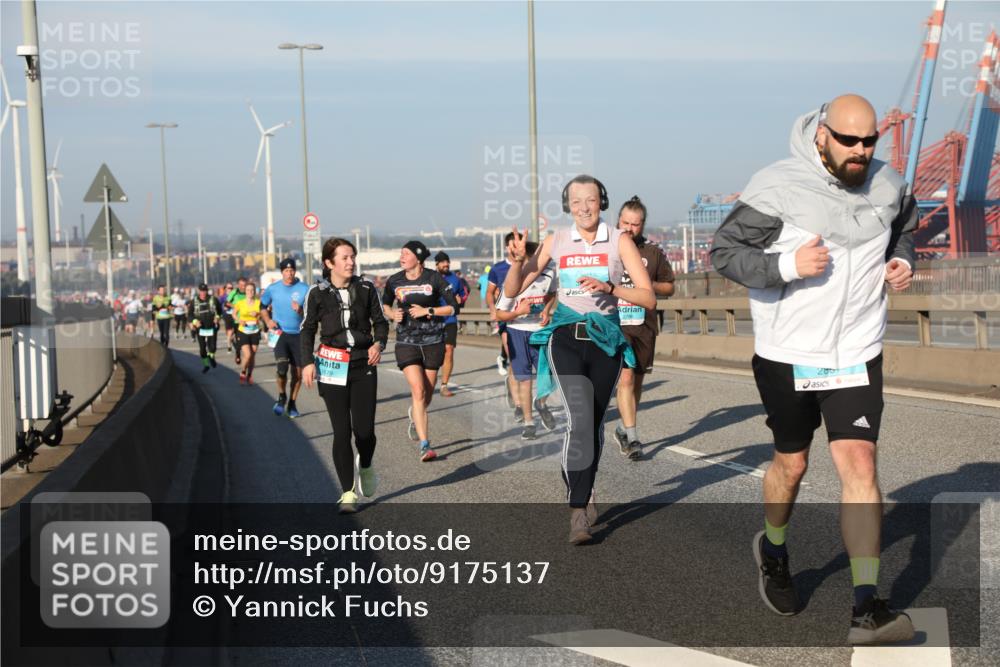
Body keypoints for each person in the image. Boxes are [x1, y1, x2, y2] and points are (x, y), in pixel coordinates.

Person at [710, 95, 917, 644]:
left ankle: (866, 608)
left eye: (869, 141)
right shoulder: (776, 186)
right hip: (789, 353)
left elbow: (906, 227)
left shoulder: (889, 184)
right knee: (792, 464)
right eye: (849, 140)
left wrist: (903, 259)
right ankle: (774, 549)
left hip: (856, 351)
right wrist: (787, 264)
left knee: (860, 464)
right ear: (822, 134)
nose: (860, 151)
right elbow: (724, 252)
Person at [505, 174, 654, 544]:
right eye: (575, 201)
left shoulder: (619, 240)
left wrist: (611, 288)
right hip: (565, 338)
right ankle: (578, 510)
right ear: (567, 206)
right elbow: (512, 289)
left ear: (602, 201)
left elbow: (648, 298)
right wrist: (518, 262)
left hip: (605, 339)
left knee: (595, 423)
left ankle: (584, 488)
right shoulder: (556, 240)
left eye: (590, 200)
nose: (584, 208)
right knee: (579, 419)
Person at [302, 238, 389, 513]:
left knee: (365, 432)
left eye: (353, 257)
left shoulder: (366, 288)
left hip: (363, 363)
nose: (351, 262)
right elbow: (307, 329)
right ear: (329, 263)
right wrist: (307, 362)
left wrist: (378, 344)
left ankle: (366, 464)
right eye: (345, 258)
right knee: (341, 431)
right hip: (331, 364)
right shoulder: (317, 293)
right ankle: (347, 492)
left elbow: (381, 322)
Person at [382, 240, 459, 462]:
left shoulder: (434, 278)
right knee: (417, 390)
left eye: (406, 253)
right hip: (406, 341)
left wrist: (428, 310)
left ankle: (415, 416)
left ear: (418, 258)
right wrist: (392, 314)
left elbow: (453, 307)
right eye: (401, 253)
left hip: (433, 340)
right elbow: (385, 304)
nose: (401, 257)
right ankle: (425, 445)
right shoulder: (394, 280)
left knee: (427, 394)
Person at [612, 196, 675, 460]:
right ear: (618, 221)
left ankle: (623, 427)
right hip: (615, 324)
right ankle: (633, 437)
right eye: (625, 222)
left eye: (635, 224)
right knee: (625, 378)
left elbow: (669, 287)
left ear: (643, 225)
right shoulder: (609, 249)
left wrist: (647, 283)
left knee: (636, 381)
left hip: (643, 326)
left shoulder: (652, 253)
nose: (629, 228)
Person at [494, 241, 558, 440]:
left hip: (539, 331)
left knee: (549, 375)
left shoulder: (550, 273)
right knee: (525, 379)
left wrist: (546, 310)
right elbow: (499, 314)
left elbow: (552, 293)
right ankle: (529, 423)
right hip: (517, 331)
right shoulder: (513, 282)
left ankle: (541, 403)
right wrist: (518, 312)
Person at [261, 258, 311, 418]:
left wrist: (301, 310)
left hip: (299, 335)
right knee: (282, 369)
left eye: (292, 270)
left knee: (297, 374)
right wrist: (268, 321)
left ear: (295, 271)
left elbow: (312, 313)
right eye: (286, 271)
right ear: (281, 272)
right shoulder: (273, 288)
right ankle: (282, 395)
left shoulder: (304, 289)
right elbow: (262, 306)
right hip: (280, 334)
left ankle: (292, 403)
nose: (289, 273)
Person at [434, 251, 468, 397]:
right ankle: (430, 379)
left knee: (449, 350)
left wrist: (461, 299)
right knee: (435, 353)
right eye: (443, 262)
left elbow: (464, 293)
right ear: (437, 264)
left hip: (450, 320)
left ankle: (444, 385)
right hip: (433, 320)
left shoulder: (455, 279)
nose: (446, 264)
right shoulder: (430, 277)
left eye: (447, 261)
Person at [232, 282, 263, 385]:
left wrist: (258, 314)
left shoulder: (258, 303)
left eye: (252, 290)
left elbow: (263, 314)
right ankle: (243, 371)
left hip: (255, 331)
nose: (250, 292)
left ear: (255, 291)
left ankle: (249, 375)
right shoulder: (240, 303)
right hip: (243, 331)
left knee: (252, 355)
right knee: (248, 354)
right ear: (245, 291)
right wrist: (239, 320)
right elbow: (234, 314)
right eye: (248, 290)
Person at [188, 283, 223, 373]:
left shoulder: (213, 299)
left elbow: (220, 311)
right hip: (200, 327)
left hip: (212, 326)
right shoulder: (194, 301)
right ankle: (206, 365)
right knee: (202, 349)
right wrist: (195, 322)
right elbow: (190, 315)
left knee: (213, 347)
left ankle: (211, 357)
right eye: (201, 291)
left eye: (205, 291)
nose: (203, 293)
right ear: (199, 291)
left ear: (207, 291)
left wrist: (217, 317)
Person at [227, 277, 248, 364]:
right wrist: (236, 307)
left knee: (246, 339)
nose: (243, 287)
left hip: (248, 319)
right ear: (238, 285)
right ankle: (238, 354)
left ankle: (247, 356)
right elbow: (227, 303)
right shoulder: (234, 292)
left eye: (244, 285)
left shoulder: (248, 292)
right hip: (237, 320)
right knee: (239, 339)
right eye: (241, 285)